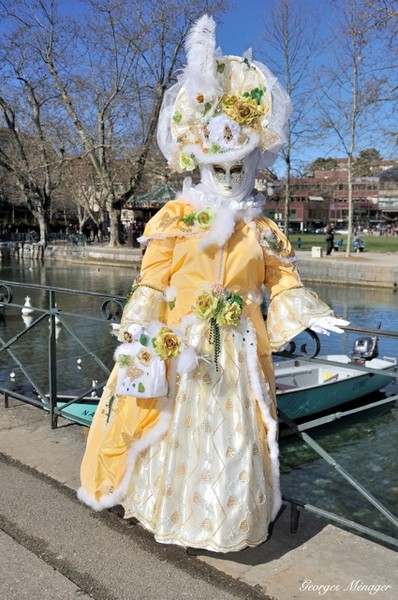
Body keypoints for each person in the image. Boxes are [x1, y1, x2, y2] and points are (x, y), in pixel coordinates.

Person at [78, 15, 348, 553]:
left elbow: (283, 278)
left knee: (234, 436)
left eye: (239, 167)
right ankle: (166, 509)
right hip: (182, 344)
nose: (229, 179)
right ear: (198, 164)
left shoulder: (263, 228)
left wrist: (305, 309)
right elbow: (152, 281)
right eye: (219, 168)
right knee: (171, 424)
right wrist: (137, 325)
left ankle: (222, 521)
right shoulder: (176, 218)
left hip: (240, 353)